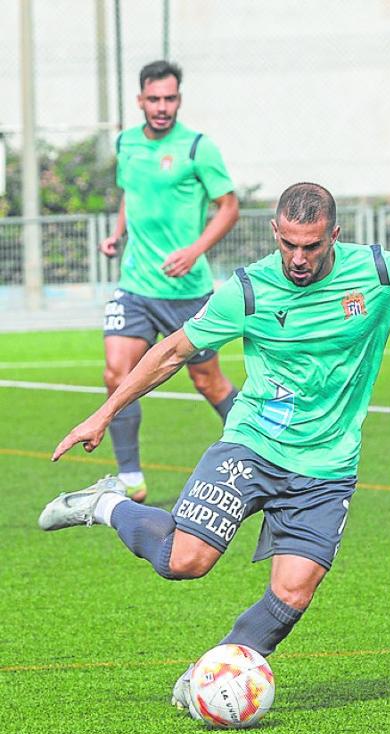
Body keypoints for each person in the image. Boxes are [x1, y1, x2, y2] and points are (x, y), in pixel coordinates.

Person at [39, 182, 390, 713]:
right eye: (288, 244)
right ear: (275, 233)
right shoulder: (249, 290)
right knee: (185, 562)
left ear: (334, 235)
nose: (298, 258)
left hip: (327, 467)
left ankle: (208, 673)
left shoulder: (377, 273)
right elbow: (173, 352)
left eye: (311, 246)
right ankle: (107, 504)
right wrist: (104, 412)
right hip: (253, 445)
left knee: (293, 594)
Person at [100, 59, 242, 503]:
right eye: (154, 99)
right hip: (136, 284)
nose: (162, 107)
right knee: (116, 375)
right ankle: (129, 478)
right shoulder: (125, 143)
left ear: (179, 99)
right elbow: (132, 193)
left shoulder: (199, 148)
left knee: (209, 383)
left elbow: (229, 206)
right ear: (140, 100)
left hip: (187, 292)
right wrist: (118, 233)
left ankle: (271, 453)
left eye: (170, 98)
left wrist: (195, 250)